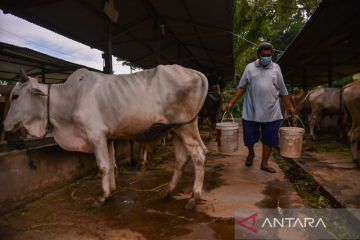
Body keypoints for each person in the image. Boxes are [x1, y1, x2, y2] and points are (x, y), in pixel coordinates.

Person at [224, 42, 296, 173]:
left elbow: (283, 90)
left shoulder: (276, 68)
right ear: (258, 55)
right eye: (264, 55)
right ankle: (251, 153)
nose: (267, 57)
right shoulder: (250, 68)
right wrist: (231, 102)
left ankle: (264, 163)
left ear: (272, 54)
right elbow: (242, 87)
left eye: (269, 55)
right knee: (249, 138)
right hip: (251, 110)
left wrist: (290, 106)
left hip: (272, 112)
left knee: (270, 138)